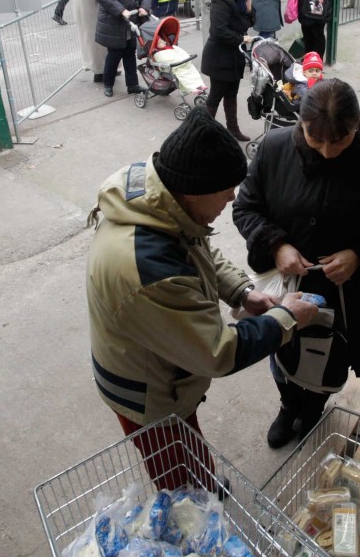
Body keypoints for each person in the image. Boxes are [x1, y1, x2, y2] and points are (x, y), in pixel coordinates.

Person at [86, 107, 317, 490]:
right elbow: (218, 352)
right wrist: (286, 319)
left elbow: (201, 251)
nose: (232, 197)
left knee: (188, 445)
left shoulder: (159, 202)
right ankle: (196, 506)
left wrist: (243, 291)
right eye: (225, 191)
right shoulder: (149, 269)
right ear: (194, 191)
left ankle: (203, 482)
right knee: (176, 473)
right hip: (147, 391)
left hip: (164, 368)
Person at [232, 79, 360, 449]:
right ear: (300, 122)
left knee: (333, 357)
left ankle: (314, 406)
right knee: (282, 346)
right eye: (316, 140)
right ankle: (288, 406)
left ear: (356, 124)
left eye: (340, 140)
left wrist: (359, 255)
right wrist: (276, 244)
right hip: (288, 288)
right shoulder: (273, 149)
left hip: (347, 294)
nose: (328, 151)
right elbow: (246, 207)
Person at [202, 0, 262, 141]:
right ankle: (203, 134)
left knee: (231, 93)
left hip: (234, 56)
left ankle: (233, 129)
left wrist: (250, 10)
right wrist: (242, 38)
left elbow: (251, 21)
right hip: (219, 57)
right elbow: (219, 30)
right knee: (216, 95)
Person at [94, 0, 151, 98]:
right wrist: (120, 10)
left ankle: (132, 85)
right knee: (114, 54)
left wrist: (144, 7)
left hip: (132, 21)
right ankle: (108, 84)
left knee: (130, 52)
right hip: (114, 21)